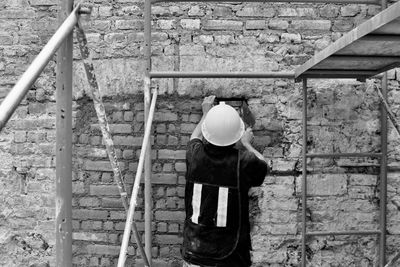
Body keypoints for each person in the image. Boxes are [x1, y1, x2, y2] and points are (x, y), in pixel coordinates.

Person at [181, 95, 270, 267]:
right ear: (236, 135)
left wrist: (206, 113)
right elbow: (266, 167)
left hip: (194, 251)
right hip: (229, 255)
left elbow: (195, 136)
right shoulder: (243, 162)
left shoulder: (194, 155)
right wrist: (247, 144)